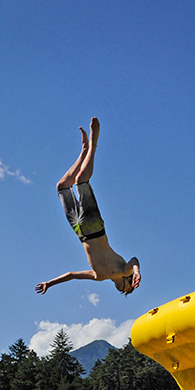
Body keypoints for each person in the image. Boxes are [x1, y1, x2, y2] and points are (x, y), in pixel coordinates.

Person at [35, 118, 141, 296]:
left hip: (79, 231)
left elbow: (71, 275)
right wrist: (136, 272)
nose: (122, 291)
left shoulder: (98, 276)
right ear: (129, 283)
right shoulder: (125, 271)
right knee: (81, 180)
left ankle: (84, 150)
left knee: (62, 186)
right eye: (126, 290)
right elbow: (134, 259)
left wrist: (50, 283)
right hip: (94, 227)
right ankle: (94, 144)